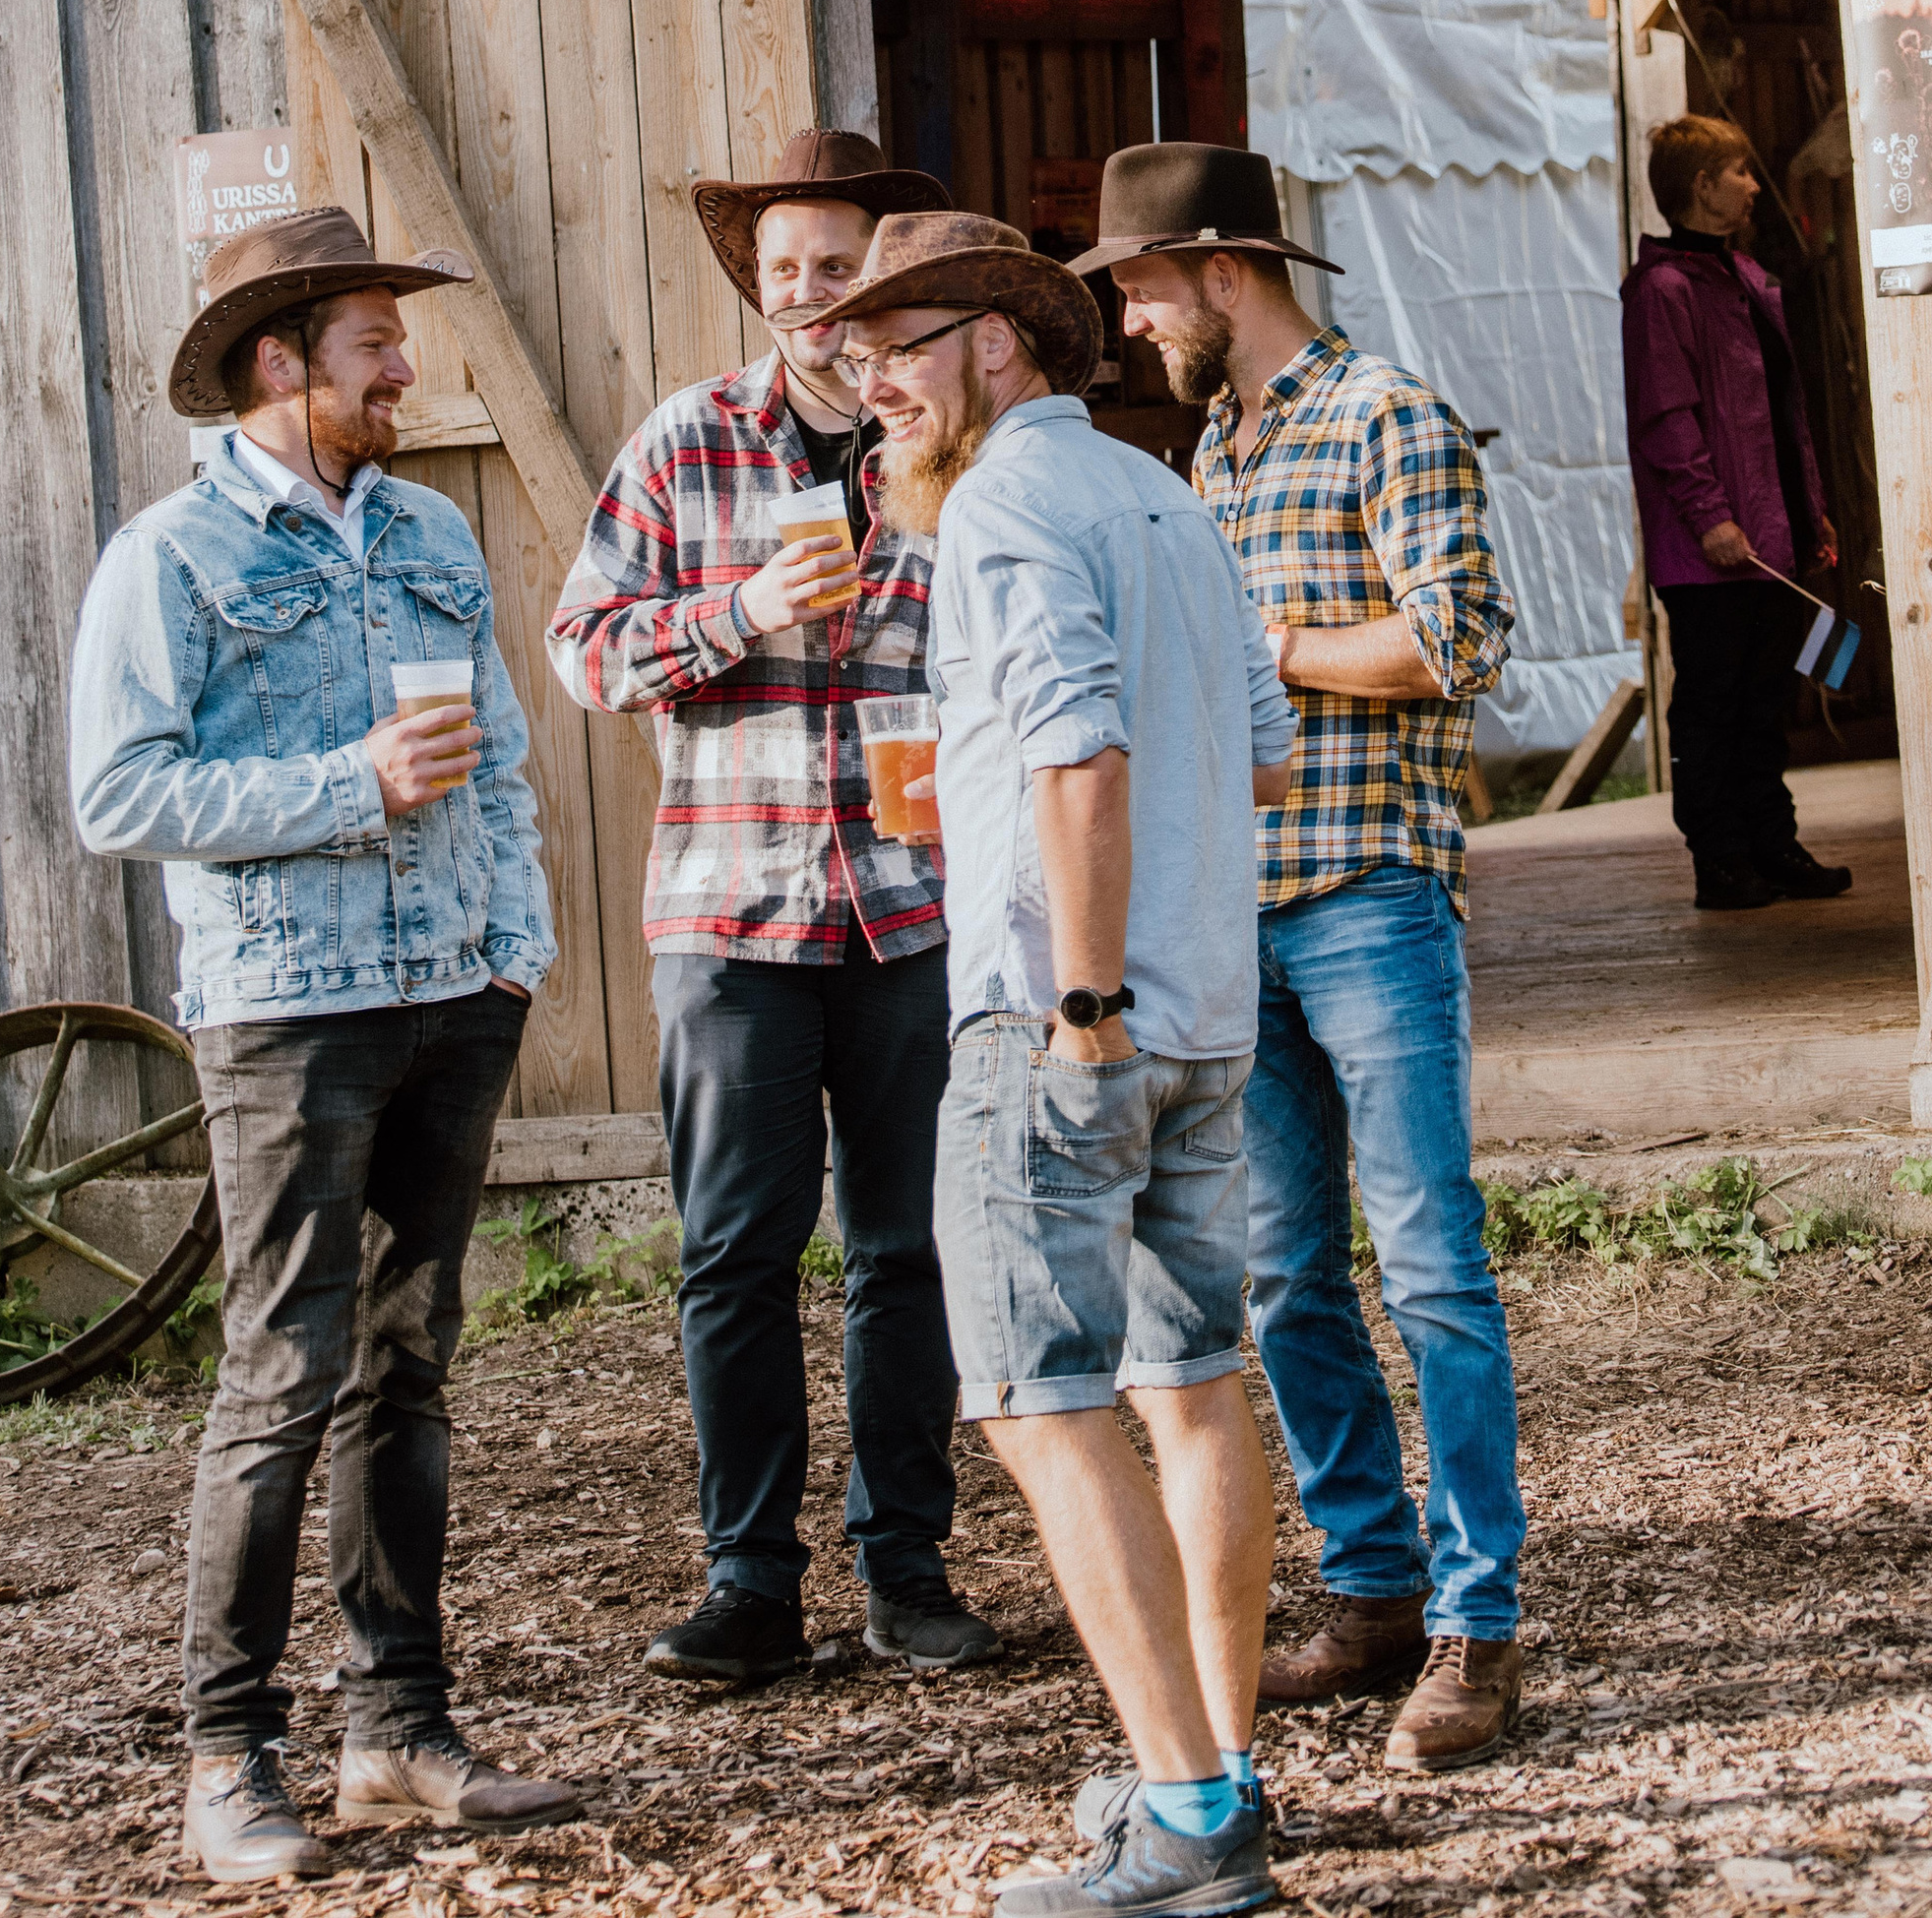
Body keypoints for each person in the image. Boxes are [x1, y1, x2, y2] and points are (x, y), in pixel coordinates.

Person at [70, 208, 576, 1887]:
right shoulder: (172, 559)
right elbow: (121, 794)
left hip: (453, 995)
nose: (405, 372)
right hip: (291, 1012)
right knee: (282, 1374)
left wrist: (518, 952)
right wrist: (347, 786)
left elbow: (498, 755)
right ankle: (230, 1758)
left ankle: (399, 1736)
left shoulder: (431, 528)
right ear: (281, 363)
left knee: (409, 1365)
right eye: (376, 346)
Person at [841, 209, 1296, 1918]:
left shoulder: (1012, 509)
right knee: (1192, 1386)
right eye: (858, 353)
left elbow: (1081, 757)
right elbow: (1258, 755)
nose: (872, 379)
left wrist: (1084, 1003)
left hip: (1066, 1025)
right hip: (1209, 1012)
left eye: (905, 345)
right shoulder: (1162, 491)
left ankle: (1186, 1820)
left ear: (1000, 344)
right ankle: (1223, 1776)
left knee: (1038, 1409)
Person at [1079, 144, 1525, 1774]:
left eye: (1136, 286)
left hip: (1372, 898)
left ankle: (1481, 1623)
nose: (1127, 321)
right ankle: (1374, 1586)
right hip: (1238, 913)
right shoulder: (1217, 444)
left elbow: (1460, 639)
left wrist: (1253, 652)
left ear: (1219, 271)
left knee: (1432, 1273)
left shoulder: (1384, 416)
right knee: (1285, 1286)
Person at [546, 128, 1001, 1687]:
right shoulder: (687, 440)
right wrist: (736, 611)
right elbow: (585, 649)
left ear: (887, 275)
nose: (808, 294)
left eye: (838, 267)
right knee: (735, 1252)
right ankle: (749, 1581)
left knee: (909, 1251)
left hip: (907, 905)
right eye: (784, 268)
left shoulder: (946, 443)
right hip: (731, 912)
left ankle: (910, 1567)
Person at [1621, 112, 1848, 910]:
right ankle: (1718, 856)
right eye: (1740, 171)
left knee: (1763, 700)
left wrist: (1809, 509)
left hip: (1772, 534)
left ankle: (1771, 842)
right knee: (1714, 703)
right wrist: (1711, 516)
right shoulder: (1662, 290)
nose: (1755, 184)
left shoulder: (1748, 281)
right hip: (1713, 548)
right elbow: (1667, 418)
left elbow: (1785, 415)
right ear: (1700, 185)